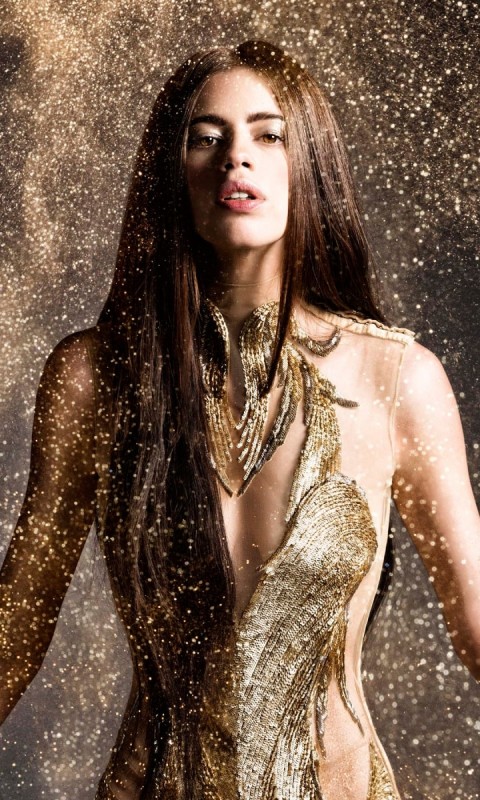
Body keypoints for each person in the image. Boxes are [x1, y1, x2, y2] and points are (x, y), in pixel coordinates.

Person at [0, 39, 479, 800]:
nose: (236, 159)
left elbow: (476, 622)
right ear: (173, 172)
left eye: (269, 135)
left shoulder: (397, 379)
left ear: (309, 163)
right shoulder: (94, 378)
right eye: (206, 138)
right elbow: (16, 628)